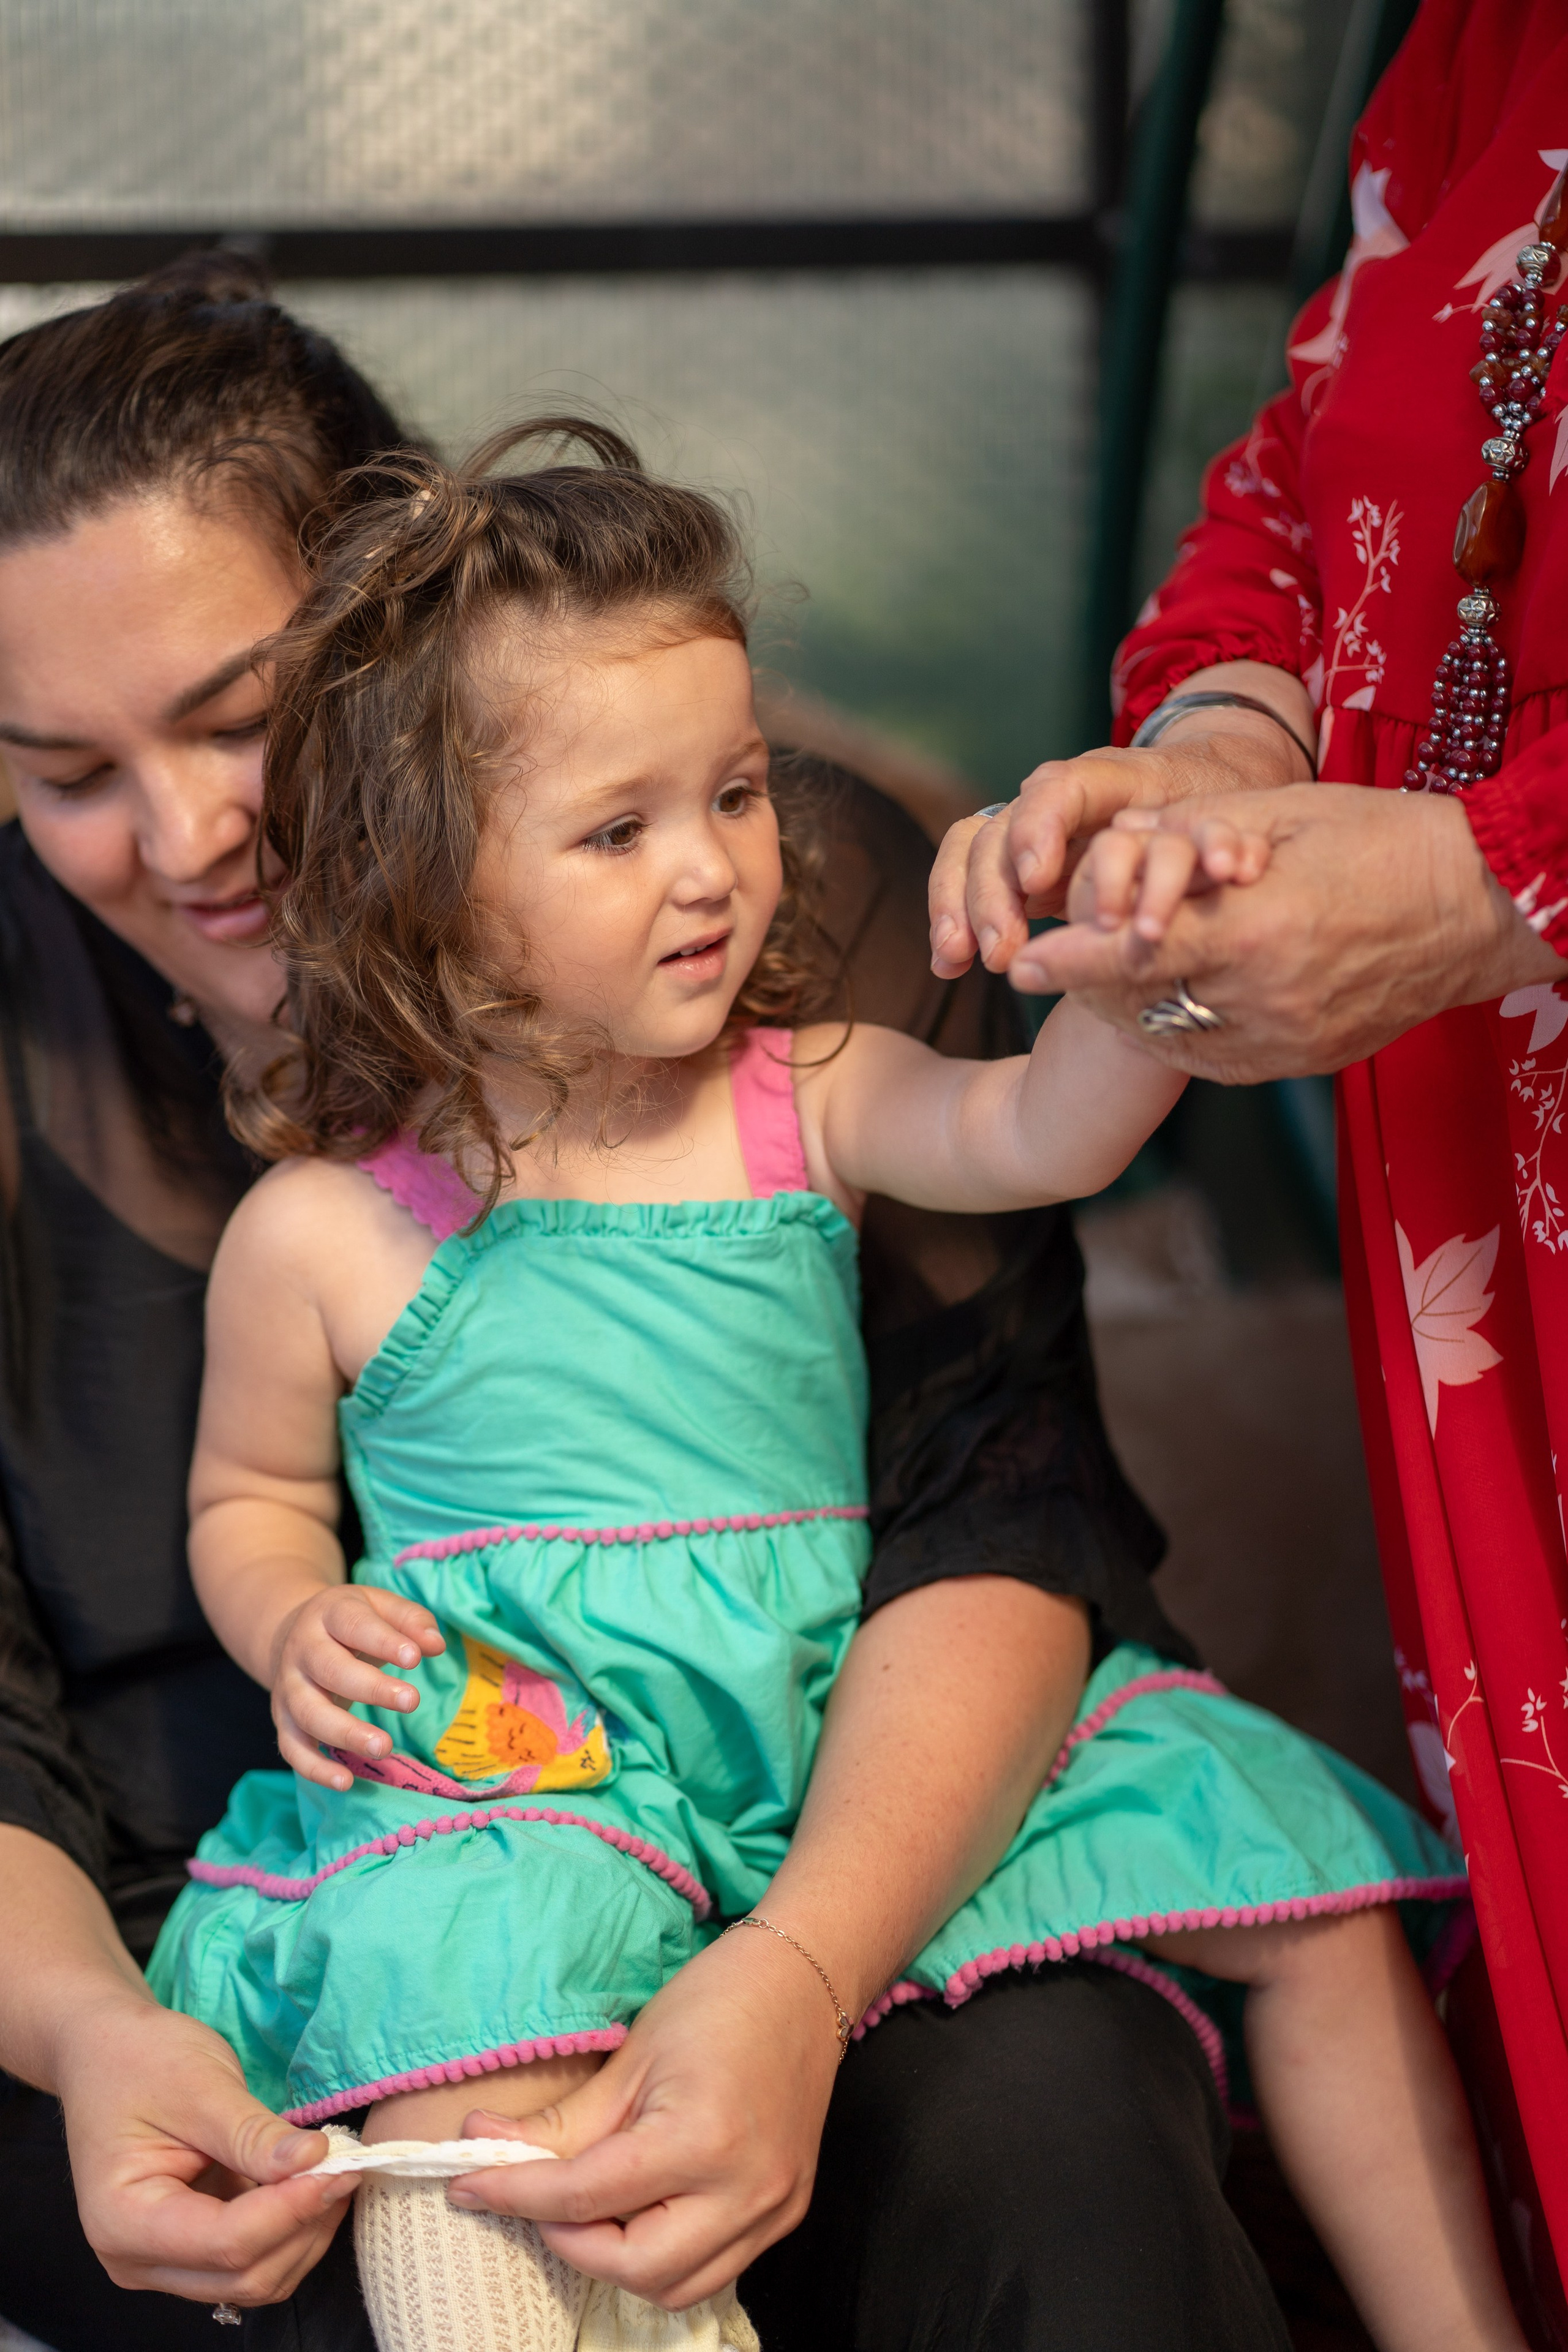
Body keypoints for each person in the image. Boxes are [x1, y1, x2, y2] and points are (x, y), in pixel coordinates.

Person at [0, 254, 1305, 2352]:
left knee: (1049, 2165)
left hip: (821, 1851)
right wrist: (84, 2040)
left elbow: (997, 1498)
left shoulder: (761, 907)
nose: (186, 837)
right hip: (200, 1946)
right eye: (64, 774)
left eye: (245, 720)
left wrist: (792, 1980)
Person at [925, 0, 1568, 2307]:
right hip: (1490, 1221)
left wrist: (1501, 877)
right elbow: (1314, 470)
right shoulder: (1470, 52)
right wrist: (1213, 739)